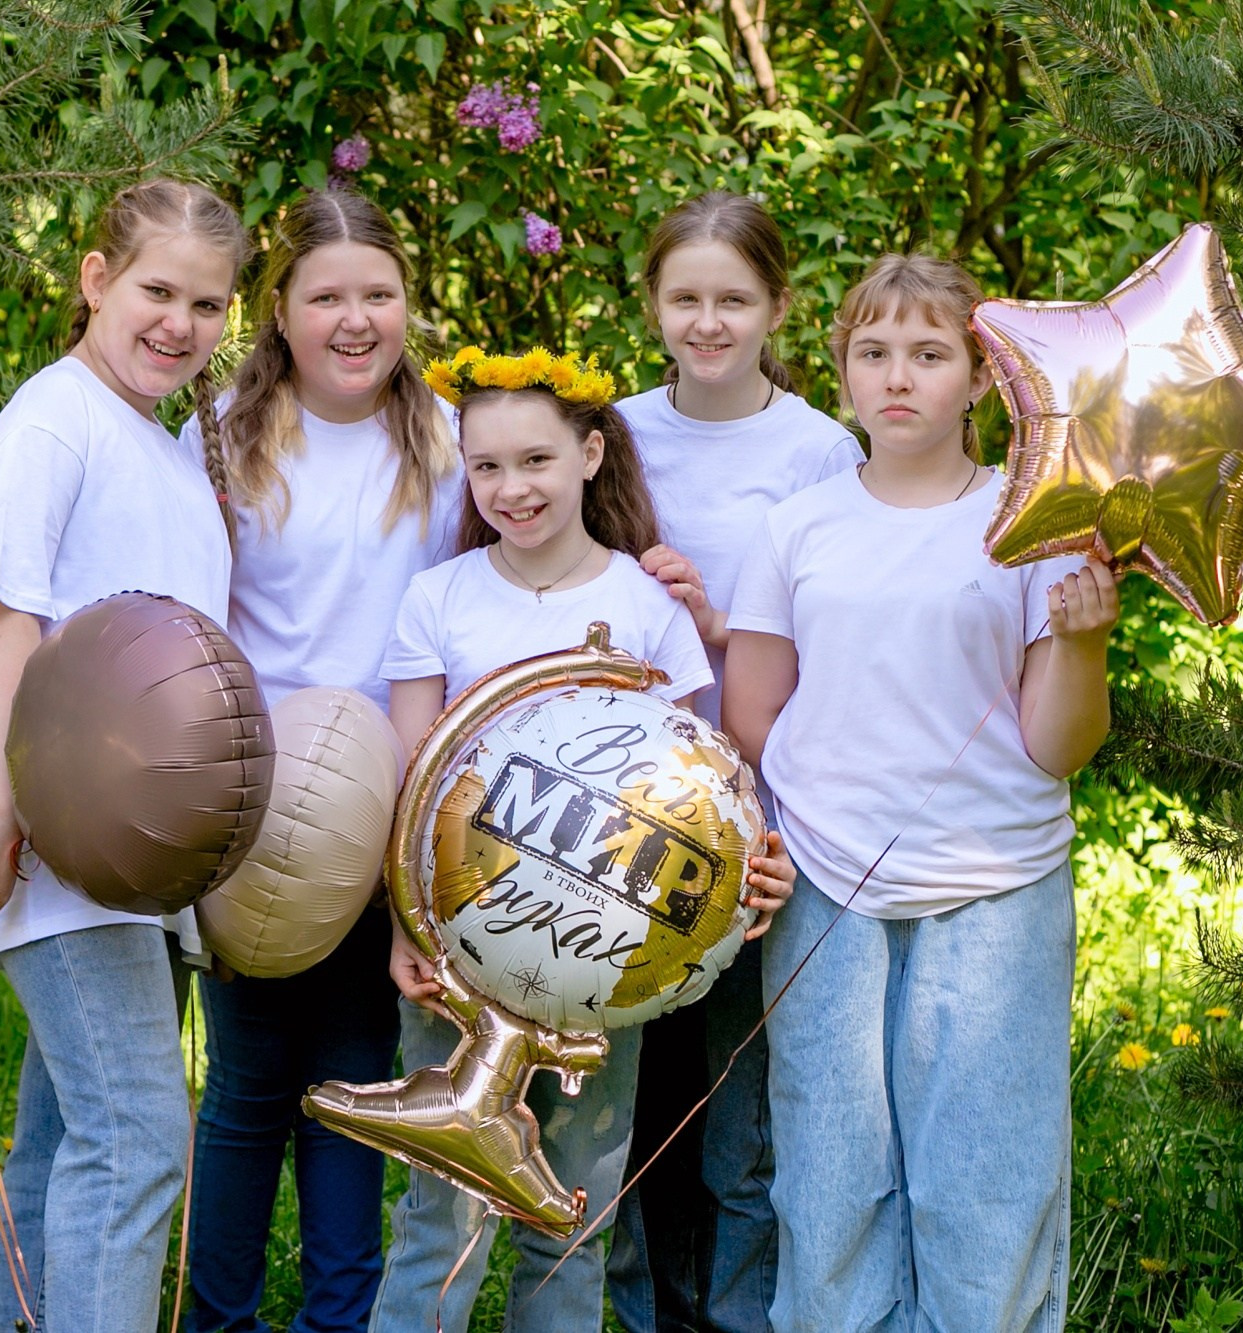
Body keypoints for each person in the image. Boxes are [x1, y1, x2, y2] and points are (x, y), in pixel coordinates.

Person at [723, 253, 1121, 1332]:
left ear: (983, 377)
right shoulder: (797, 526)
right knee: (828, 1169)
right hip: (824, 886)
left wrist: (1083, 644)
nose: (897, 377)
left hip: (996, 885)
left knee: (984, 1176)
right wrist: (812, 819)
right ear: (843, 370)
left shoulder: (1029, 525)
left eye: (929, 354)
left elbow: (1057, 745)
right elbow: (753, 715)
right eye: (873, 352)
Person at [371, 347, 796, 1333]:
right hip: (456, 960)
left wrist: (750, 872)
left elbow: (702, 789)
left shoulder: (645, 607)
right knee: (438, 1217)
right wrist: (403, 927)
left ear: (590, 454)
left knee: (571, 1215)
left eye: (536, 460)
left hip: (604, 966)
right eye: (487, 466)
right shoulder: (438, 598)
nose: (511, 488)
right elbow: (410, 783)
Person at [0, 177, 246, 1333]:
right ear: (95, 279)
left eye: (206, 305)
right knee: (134, 1136)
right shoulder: (53, 418)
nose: (178, 324)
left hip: (136, 859)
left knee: (66, 1138)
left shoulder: (164, 449)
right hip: (53, 845)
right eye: (157, 291)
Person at [177, 188, 456, 1333]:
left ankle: (336, 1320)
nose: (354, 320)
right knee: (248, 1082)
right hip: (250, 800)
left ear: (406, 304)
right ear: (278, 310)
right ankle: (217, 1317)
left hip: (385, 807)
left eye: (377, 294)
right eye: (326, 296)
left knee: (353, 1078)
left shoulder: (444, 441)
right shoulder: (220, 438)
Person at [610, 189, 864, 1333]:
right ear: (651, 304)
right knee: (631, 1088)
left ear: (776, 308)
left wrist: (713, 626)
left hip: (756, 813)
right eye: (684, 298)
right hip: (618, 812)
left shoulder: (817, 450)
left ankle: (733, 1314)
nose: (706, 322)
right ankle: (636, 1306)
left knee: (731, 1106)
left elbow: (837, 639)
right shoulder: (611, 432)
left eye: (732, 300)